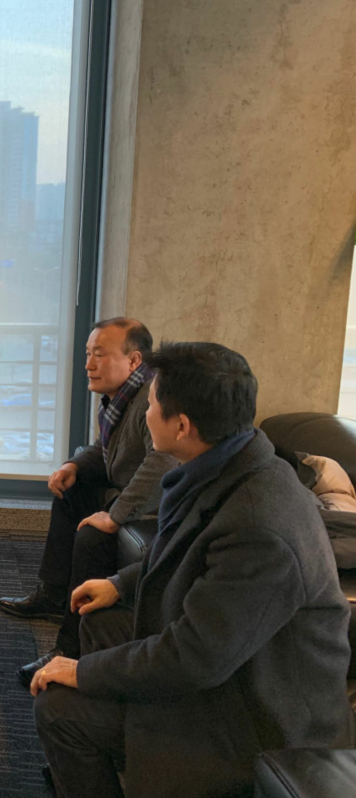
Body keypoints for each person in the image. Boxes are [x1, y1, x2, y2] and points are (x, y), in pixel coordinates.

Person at [31, 342, 354, 798]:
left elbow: (193, 658)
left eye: (151, 405)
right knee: (99, 619)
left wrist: (83, 672)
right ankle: (105, 764)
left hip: (256, 715)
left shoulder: (260, 527)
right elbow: (188, 554)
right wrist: (120, 583)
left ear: (181, 426)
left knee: (59, 708)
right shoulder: (228, 465)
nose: (145, 414)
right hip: (231, 668)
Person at [0, 318, 176, 685]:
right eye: (87, 353)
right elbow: (110, 451)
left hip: (151, 508)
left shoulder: (152, 398)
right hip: (124, 491)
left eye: (99, 354)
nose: (88, 364)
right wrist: (73, 465)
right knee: (71, 489)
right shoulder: (121, 397)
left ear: (134, 360)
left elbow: (162, 462)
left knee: (92, 537)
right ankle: (53, 596)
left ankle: (70, 648)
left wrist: (115, 515)